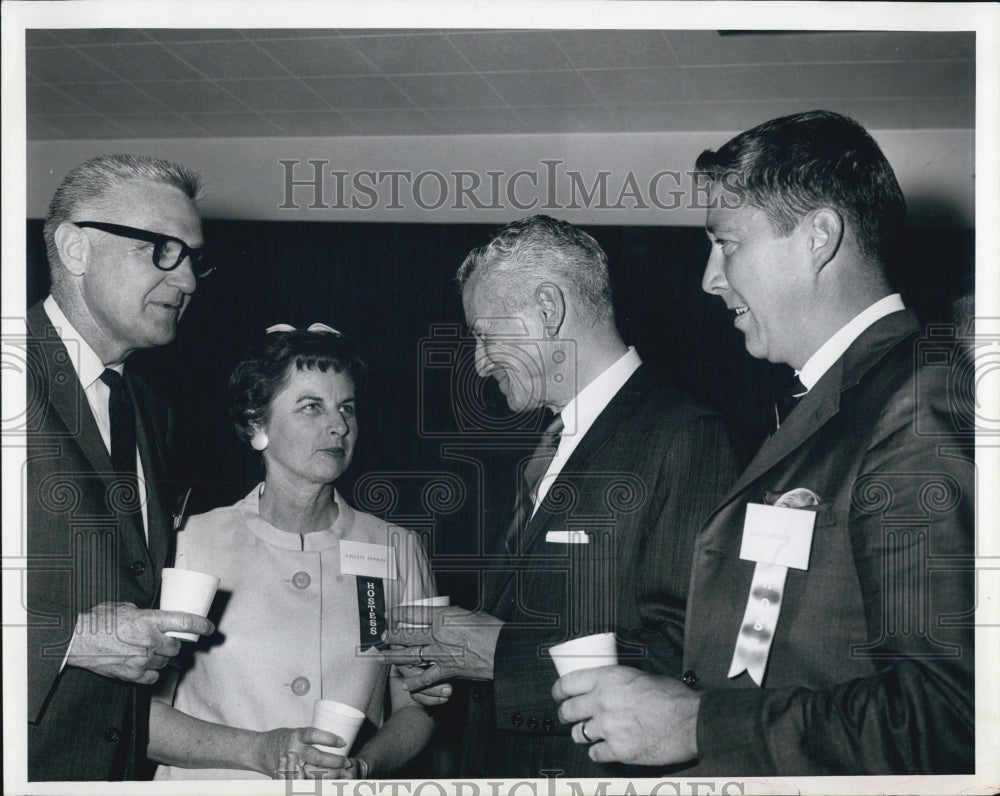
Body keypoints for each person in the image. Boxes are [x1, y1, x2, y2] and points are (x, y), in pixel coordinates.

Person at [552, 110, 975, 775]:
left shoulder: (919, 401)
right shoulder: (831, 401)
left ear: (818, 237)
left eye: (727, 243)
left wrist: (700, 724)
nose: (709, 278)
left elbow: (951, 719)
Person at [380, 215, 741, 778]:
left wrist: (498, 656)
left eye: (485, 334)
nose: (479, 362)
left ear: (548, 310)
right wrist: (457, 658)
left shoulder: (684, 435)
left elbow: (688, 659)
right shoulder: (553, 444)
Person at [149, 325, 437, 780]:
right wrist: (257, 750)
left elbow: (416, 709)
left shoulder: (396, 548)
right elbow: (138, 718)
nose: (339, 425)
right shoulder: (187, 543)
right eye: (311, 407)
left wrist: (363, 766)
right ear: (256, 424)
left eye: (347, 408)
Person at [26, 154, 216, 781]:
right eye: (161, 250)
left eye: (191, 256)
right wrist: (71, 640)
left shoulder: (148, 411)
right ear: (75, 248)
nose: (186, 279)